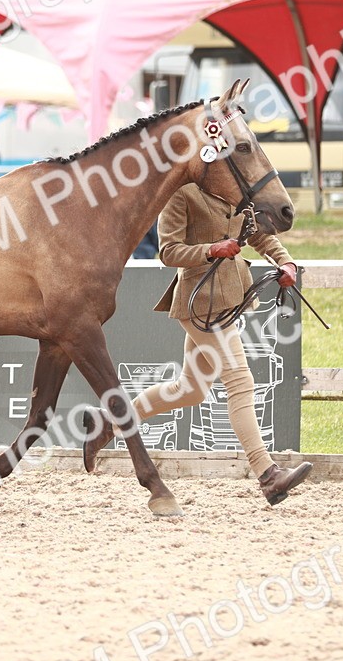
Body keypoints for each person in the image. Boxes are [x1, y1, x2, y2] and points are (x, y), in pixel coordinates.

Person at [83, 182, 314, 506]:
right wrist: (210, 250)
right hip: (201, 305)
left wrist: (284, 261)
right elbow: (169, 251)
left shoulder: (235, 186)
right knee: (240, 382)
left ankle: (109, 423)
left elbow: (258, 232)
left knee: (189, 389)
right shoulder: (180, 193)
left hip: (229, 299)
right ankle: (268, 475)